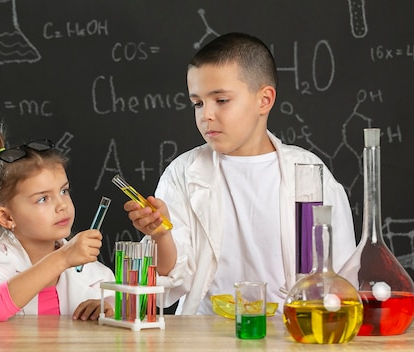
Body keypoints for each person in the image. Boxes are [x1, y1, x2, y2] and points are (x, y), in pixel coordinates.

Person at [121, 32, 359, 315]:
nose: (206, 114)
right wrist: (161, 236)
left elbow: (342, 281)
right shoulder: (183, 174)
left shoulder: (310, 175)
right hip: (204, 337)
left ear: (264, 100)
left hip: (290, 335)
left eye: (221, 100)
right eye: (197, 103)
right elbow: (169, 285)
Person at [0, 120, 115, 321]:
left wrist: (106, 307)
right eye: (42, 199)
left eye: (64, 191)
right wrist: (62, 258)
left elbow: (119, 300)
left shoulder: (82, 263)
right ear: (6, 217)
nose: (62, 205)